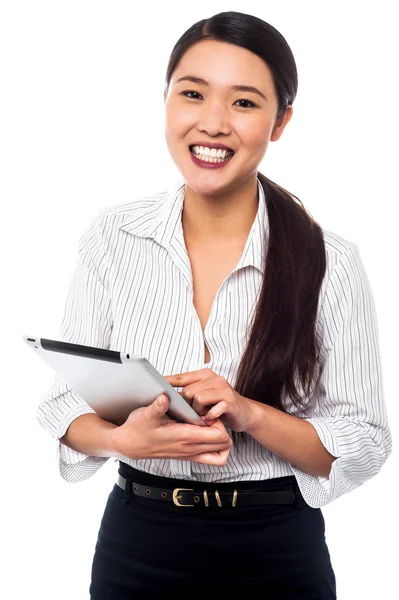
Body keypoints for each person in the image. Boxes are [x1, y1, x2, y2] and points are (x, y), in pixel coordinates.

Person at [37, 10, 392, 599]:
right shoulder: (113, 237)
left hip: (275, 547)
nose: (213, 122)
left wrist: (248, 413)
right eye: (193, 93)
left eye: (245, 103)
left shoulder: (330, 260)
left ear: (281, 122)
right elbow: (61, 408)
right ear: (167, 100)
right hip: (138, 543)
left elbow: (365, 439)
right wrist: (124, 440)